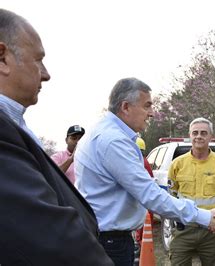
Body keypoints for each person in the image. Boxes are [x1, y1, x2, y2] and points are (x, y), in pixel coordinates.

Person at [74, 78, 215, 266]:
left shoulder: (105, 133)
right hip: (110, 241)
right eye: (147, 106)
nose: (152, 113)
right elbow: (150, 194)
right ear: (125, 107)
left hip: (105, 237)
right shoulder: (113, 141)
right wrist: (204, 216)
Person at [0, 8, 113, 265]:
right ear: (2, 58)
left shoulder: (13, 125)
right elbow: (47, 235)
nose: (46, 73)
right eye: (38, 59)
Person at [167, 117, 215, 266]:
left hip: (212, 230)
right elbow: (172, 194)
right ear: (189, 135)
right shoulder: (177, 164)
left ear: (211, 136)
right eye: (195, 133)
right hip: (184, 227)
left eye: (204, 133)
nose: (199, 136)